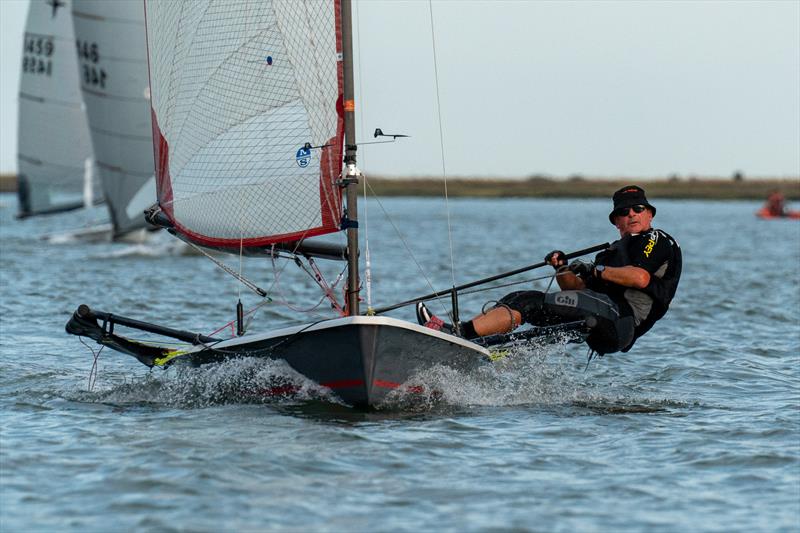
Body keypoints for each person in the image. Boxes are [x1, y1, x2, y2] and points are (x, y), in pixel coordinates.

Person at [416, 185, 682, 355]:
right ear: (616, 221)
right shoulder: (610, 252)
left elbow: (640, 277)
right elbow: (576, 292)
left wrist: (595, 270)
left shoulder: (656, 239)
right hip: (599, 319)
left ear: (650, 215)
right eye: (625, 211)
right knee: (523, 300)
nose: (632, 215)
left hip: (620, 322)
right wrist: (562, 268)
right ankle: (468, 342)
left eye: (639, 209)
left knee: (530, 301)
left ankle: (459, 335)